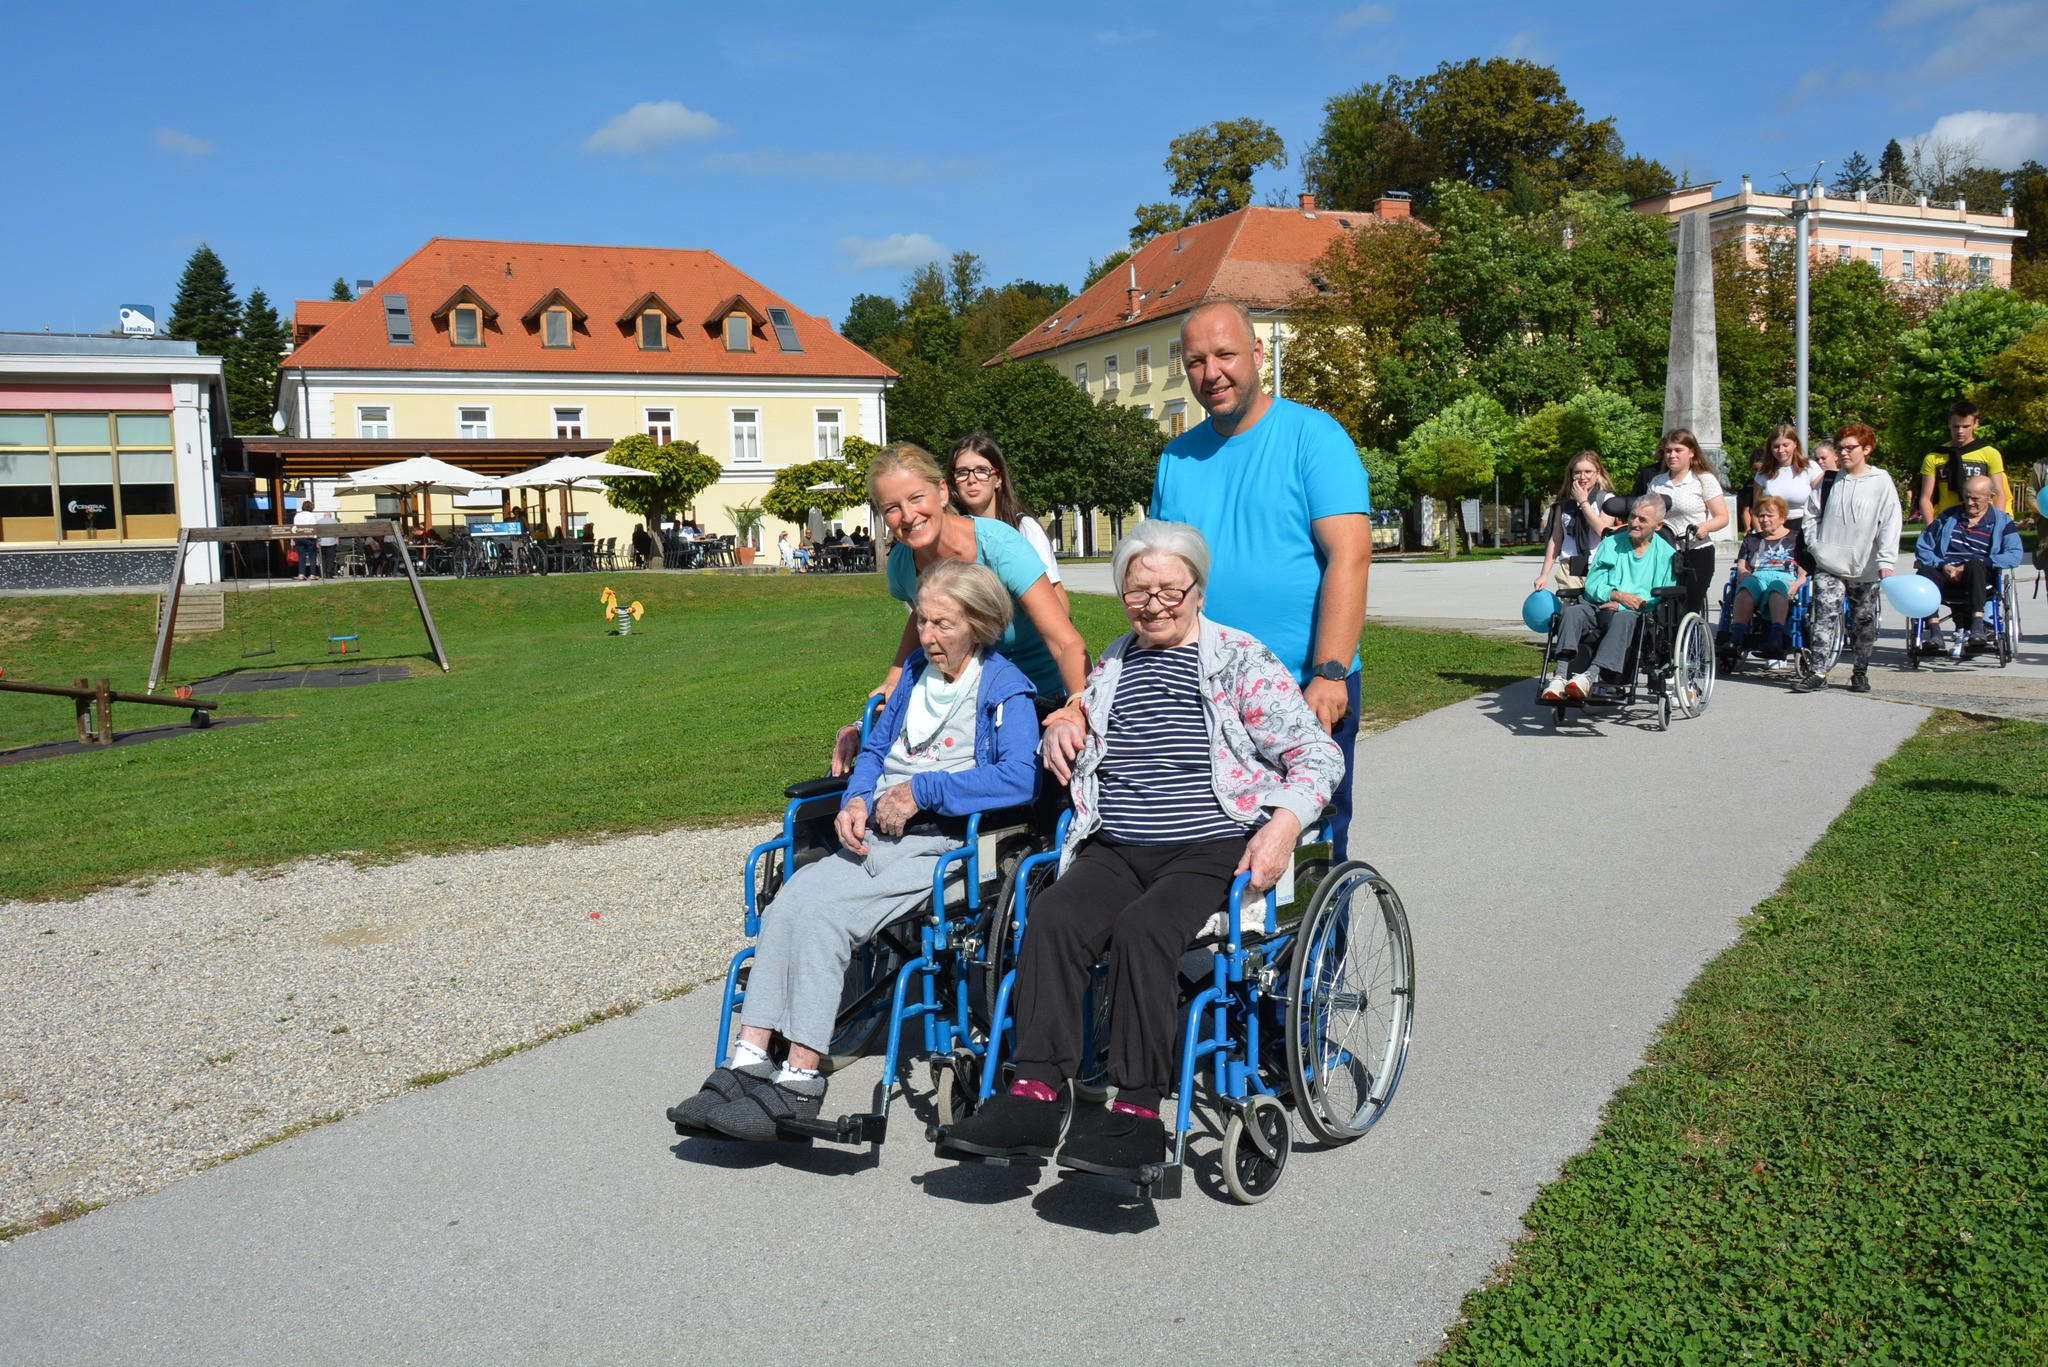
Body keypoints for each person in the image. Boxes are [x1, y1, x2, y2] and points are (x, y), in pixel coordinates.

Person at [935, 522, 1343, 1173]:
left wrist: (1285, 824)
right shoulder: (1116, 662)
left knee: (1144, 929)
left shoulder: (1239, 659)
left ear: (1198, 590)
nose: (1152, 603)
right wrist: (1067, 717)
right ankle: (1036, 1094)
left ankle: (1138, 1110)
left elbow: (1315, 754)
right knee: (1053, 916)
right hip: (1117, 845)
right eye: (1137, 591)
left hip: (1208, 843)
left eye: (1167, 590)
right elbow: (1085, 710)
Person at [667, 561, 1042, 1140]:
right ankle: (748, 1059)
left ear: (980, 623)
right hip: (878, 832)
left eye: (944, 624)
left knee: (826, 918)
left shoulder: (1004, 688)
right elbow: (874, 750)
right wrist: (857, 799)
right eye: (922, 620)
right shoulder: (915, 672)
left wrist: (922, 790)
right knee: (789, 902)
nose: (928, 636)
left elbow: (1020, 779)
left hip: (942, 842)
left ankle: (801, 1076)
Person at [1147, 300, 1372, 858]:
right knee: (1210, 841)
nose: (1212, 373)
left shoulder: (1313, 437)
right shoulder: (1176, 459)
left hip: (1304, 685)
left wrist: (1331, 671)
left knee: (1308, 852)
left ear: (1258, 352)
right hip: (1206, 691)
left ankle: (1328, 950)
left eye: (1225, 355)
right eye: (1196, 361)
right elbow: (1160, 572)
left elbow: (1350, 557)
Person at [830, 444, 1090, 774]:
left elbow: (1065, 641)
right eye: (892, 508)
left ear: (941, 491)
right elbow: (923, 618)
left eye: (916, 498)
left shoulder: (999, 546)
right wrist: (893, 678)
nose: (908, 516)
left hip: (1034, 694)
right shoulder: (902, 564)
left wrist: (1077, 702)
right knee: (872, 742)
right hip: (965, 699)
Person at [1541, 495, 1678, 703]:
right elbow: (1594, 584)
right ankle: (1560, 677)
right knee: (1573, 612)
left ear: (1658, 525)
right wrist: (1615, 595)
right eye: (1632, 516)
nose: (1634, 523)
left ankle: (1590, 676)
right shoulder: (1611, 543)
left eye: (1643, 520)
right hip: (1599, 605)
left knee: (1625, 618)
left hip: (1635, 614)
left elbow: (1660, 595)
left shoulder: (1666, 554)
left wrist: (1622, 605)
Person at [1797, 423, 1900, 694]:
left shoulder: (1881, 481)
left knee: (1863, 619)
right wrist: (1815, 546)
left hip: (1864, 565)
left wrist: (1886, 560)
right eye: (1840, 448)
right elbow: (1811, 515)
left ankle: (1860, 671)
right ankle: (1818, 671)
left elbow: (1890, 521)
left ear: (1866, 449)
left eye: (1850, 448)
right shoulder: (1830, 480)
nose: (1843, 453)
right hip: (1829, 562)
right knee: (1824, 616)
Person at [946, 432, 1068, 612]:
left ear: (999, 479)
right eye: (962, 472)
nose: (972, 480)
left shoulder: (1024, 529)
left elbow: (1059, 604)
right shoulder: (949, 534)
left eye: (982, 471)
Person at [1913, 474, 2024, 654]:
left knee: (1974, 565)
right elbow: (1923, 547)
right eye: (1966, 497)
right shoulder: (1947, 516)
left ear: (1991, 497)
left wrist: (1985, 561)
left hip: (1979, 575)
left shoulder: (2002, 521)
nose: (1970, 503)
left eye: (1976, 499)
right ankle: (1934, 631)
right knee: (1924, 573)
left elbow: (2014, 554)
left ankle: (1978, 627)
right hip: (1946, 571)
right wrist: (1943, 565)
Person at [1647, 429, 1731, 619]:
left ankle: (1688, 643)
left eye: (1678, 450)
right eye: (1668, 451)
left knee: (1687, 607)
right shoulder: (1656, 482)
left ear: (1692, 452)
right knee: (1661, 606)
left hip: (1696, 550)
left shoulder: (1703, 479)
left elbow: (1722, 516)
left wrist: (1705, 527)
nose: (1672, 455)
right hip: (1664, 551)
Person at [1718, 494, 1806, 663]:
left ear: (1782, 517)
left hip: (1785, 576)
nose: (1765, 519)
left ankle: (1776, 638)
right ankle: (1735, 639)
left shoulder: (1796, 538)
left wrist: (1797, 583)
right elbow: (1742, 565)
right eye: (1761, 515)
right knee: (1746, 587)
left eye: (1770, 515)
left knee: (1777, 586)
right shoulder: (1752, 539)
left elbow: (1804, 570)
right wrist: (1743, 574)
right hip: (1757, 575)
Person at [1916, 400, 2011, 527]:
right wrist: (1930, 526)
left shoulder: (1990, 454)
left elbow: (1999, 493)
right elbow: (1926, 497)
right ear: (1949, 424)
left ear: (1976, 424)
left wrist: (1998, 526)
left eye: (1966, 426)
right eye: (1956, 426)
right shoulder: (1934, 457)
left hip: (1982, 523)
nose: (1960, 431)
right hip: (1947, 523)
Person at [1533, 452, 1617, 592]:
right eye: (1577, 472)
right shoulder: (1564, 503)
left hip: (1599, 564)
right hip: (1569, 565)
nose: (1583, 477)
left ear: (1598, 473)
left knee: (1597, 608)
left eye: (1588, 472)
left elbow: (1603, 531)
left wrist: (1583, 501)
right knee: (1571, 608)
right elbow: (1556, 539)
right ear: (1571, 475)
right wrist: (1544, 574)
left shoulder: (1607, 499)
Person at [1754, 424, 1824, 537]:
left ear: (1795, 444)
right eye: (1776, 446)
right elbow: (1756, 508)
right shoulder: (1763, 472)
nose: (1781, 450)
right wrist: (1761, 535)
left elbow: (1823, 502)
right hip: (1773, 530)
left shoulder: (1810, 467)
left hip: (1805, 527)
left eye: (1785, 445)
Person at [290, 497, 321, 581]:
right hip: (310, 537)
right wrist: (317, 539)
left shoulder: (297, 515)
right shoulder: (312, 515)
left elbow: (294, 527)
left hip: (299, 537)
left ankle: (301, 574)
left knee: (301, 556)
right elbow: (314, 527)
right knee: (312, 556)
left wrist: (292, 539)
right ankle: (312, 574)